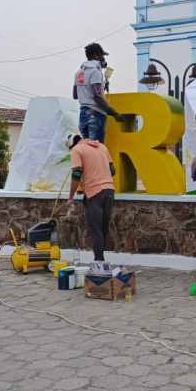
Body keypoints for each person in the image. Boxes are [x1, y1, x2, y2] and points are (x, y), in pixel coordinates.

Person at [66, 134, 116, 262]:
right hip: (110, 191)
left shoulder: (77, 150)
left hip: (94, 193)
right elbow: (112, 170)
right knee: (103, 230)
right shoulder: (102, 147)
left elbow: (76, 174)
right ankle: (101, 262)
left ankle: (99, 265)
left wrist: (70, 197)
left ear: (71, 145)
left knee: (96, 231)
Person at [73, 42, 123, 143]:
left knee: (87, 150)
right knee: (96, 151)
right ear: (95, 55)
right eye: (101, 56)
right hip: (95, 115)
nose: (103, 59)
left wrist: (100, 88)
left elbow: (75, 95)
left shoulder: (79, 73)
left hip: (83, 115)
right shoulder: (95, 72)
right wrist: (114, 113)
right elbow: (97, 96)